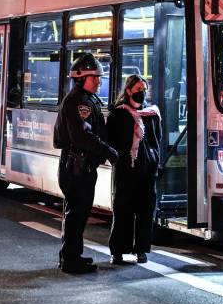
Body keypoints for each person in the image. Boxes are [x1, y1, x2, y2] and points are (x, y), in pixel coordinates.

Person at [52, 54, 119, 275]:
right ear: (82, 78)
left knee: (78, 214)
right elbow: (82, 136)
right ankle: (70, 260)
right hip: (76, 167)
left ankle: (72, 256)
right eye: (95, 77)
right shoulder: (79, 102)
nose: (99, 81)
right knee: (75, 214)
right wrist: (108, 151)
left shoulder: (87, 99)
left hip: (81, 166)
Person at [106, 74, 162, 265]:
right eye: (138, 90)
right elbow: (110, 141)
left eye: (144, 90)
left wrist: (155, 160)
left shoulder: (151, 114)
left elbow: (156, 141)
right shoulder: (119, 114)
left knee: (146, 212)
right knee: (123, 210)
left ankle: (141, 250)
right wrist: (119, 159)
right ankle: (118, 251)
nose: (142, 93)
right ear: (128, 91)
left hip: (147, 171)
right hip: (126, 170)